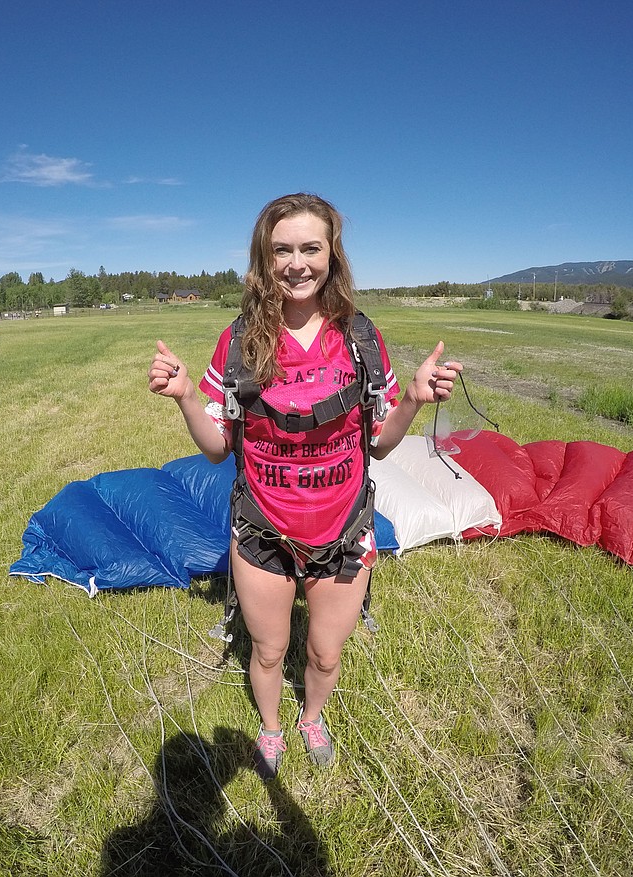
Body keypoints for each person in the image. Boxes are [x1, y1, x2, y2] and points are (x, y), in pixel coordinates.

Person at [148, 193, 460, 776]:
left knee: (323, 651)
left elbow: (377, 445)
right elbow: (218, 448)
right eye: (282, 250)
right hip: (263, 529)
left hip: (344, 528)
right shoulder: (241, 340)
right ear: (263, 261)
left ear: (332, 255)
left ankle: (311, 716)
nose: (297, 263)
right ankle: (270, 728)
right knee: (268, 649)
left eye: (310, 248)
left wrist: (414, 400)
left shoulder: (360, 338)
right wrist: (188, 396)